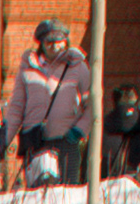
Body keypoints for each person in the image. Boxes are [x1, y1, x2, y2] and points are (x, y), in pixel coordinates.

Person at [11, 17, 95, 185]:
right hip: (38, 142)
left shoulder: (78, 67)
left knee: (68, 194)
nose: (55, 46)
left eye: (59, 41)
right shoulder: (29, 68)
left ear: (66, 41)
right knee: (38, 195)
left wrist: (78, 131)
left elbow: (91, 105)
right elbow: (17, 105)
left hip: (66, 142)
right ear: (41, 43)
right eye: (49, 42)